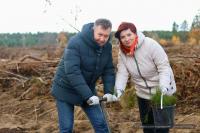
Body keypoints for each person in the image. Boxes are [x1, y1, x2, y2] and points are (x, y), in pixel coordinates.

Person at [51, 18, 117, 133]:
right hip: (65, 89)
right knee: (66, 127)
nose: (102, 39)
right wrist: (88, 96)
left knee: (101, 124)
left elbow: (108, 70)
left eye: (106, 36)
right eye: (100, 34)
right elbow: (73, 71)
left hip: (87, 89)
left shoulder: (107, 47)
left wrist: (109, 91)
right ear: (93, 30)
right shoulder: (76, 42)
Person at [114, 22, 176, 133]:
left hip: (161, 93)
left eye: (129, 35)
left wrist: (164, 86)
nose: (126, 39)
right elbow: (122, 73)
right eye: (122, 37)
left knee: (162, 129)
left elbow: (164, 67)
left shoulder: (151, 45)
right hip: (142, 94)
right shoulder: (122, 52)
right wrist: (119, 89)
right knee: (148, 128)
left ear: (135, 33)